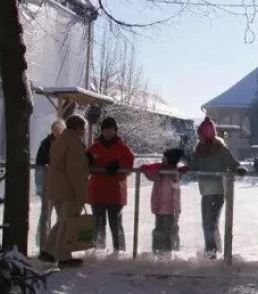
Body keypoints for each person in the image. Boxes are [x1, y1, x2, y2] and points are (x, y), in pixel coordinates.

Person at [190, 117, 247, 258]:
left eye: (201, 135)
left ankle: (211, 253)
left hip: (217, 192)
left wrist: (239, 169)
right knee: (208, 224)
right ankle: (212, 251)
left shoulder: (220, 149)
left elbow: (233, 164)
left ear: (207, 136)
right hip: (205, 192)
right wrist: (185, 168)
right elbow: (194, 165)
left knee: (210, 225)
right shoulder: (199, 149)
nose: (199, 138)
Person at [40, 114, 90, 267]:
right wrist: (80, 192)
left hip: (55, 187)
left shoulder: (58, 140)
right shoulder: (74, 142)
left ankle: (48, 251)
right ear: (78, 128)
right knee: (67, 222)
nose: (84, 131)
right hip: (68, 189)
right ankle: (63, 257)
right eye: (83, 128)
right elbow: (74, 170)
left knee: (62, 221)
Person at [87, 117, 135, 253]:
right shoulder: (93, 147)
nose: (108, 132)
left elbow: (129, 163)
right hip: (97, 192)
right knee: (98, 224)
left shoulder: (123, 147)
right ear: (102, 131)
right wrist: (87, 161)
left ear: (115, 131)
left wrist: (119, 166)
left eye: (111, 130)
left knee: (116, 224)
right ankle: (97, 250)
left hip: (115, 192)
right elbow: (83, 162)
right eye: (105, 130)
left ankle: (119, 251)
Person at [141, 149, 185, 254]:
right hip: (159, 208)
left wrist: (176, 210)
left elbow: (176, 195)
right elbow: (151, 175)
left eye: (165, 158)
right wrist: (145, 170)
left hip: (170, 210)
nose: (162, 160)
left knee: (169, 232)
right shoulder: (160, 170)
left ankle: (169, 251)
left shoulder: (175, 174)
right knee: (158, 231)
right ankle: (157, 251)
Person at [34, 119, 65, 247]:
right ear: (52, 131)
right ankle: (43, 242)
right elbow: (39, 166)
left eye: (60, 130)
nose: (58, 133)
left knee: (61, 215)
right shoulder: (46, 144)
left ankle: (59, 242)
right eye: (56, 130)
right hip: (48, 186)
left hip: (62, 187)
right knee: (46, 215)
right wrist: (39, 185)